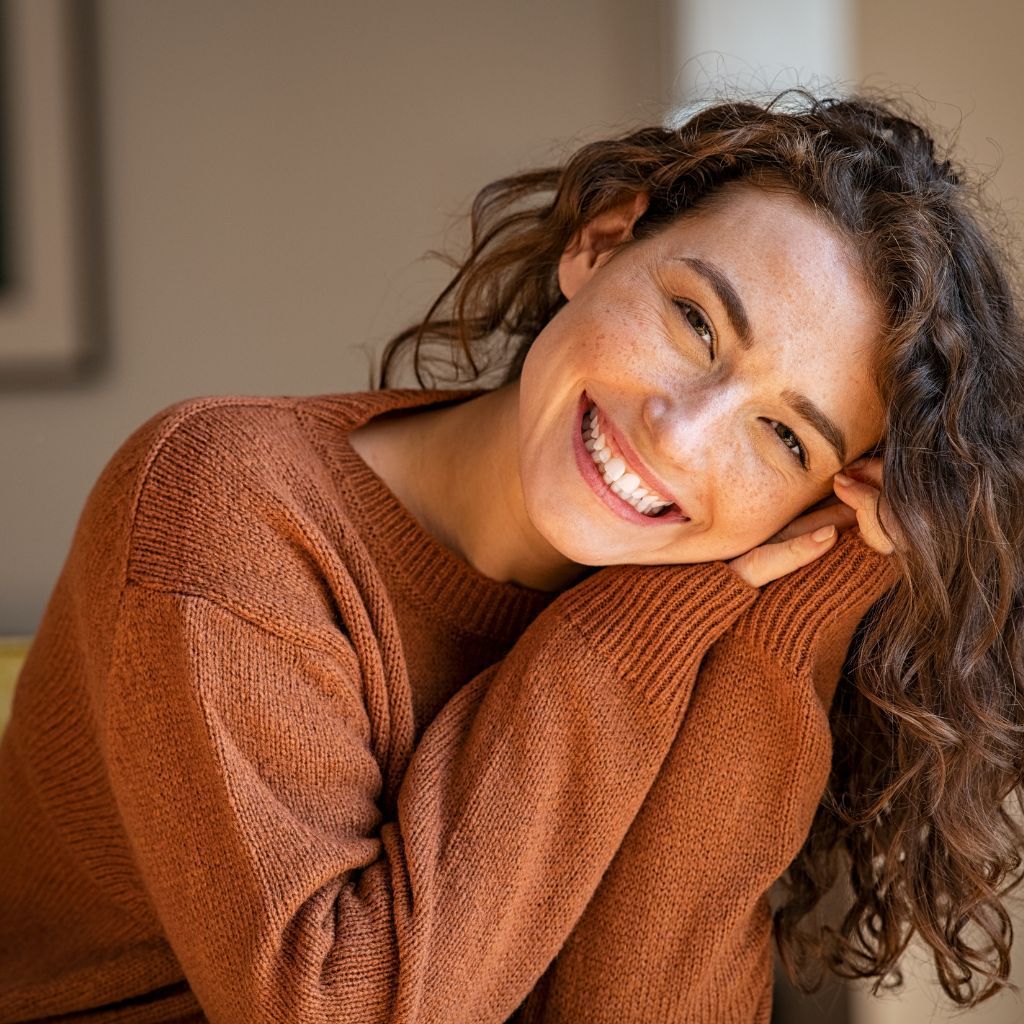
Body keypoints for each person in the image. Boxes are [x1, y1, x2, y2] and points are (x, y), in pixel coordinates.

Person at [0, 87, 1020, 1023]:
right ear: (600, 242)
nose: (680, 435)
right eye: (694, 321)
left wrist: (791, 620)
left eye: (786, 438)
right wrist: (629, 634)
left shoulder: (712, 615)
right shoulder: (227, 498)